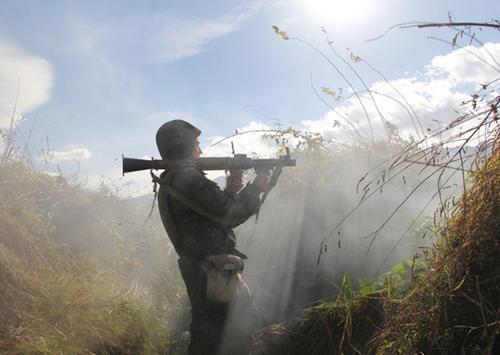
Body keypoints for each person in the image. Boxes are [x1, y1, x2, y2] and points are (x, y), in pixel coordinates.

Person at [155, 120, 270, 355]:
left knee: (212, 332)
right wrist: (255, 188)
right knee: (222, 334)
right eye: (197, 144)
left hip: (207, 270)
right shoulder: (187, 177)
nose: (201, 150)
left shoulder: (175, 177)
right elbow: (231, 215)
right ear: (186, 146)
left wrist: (229, 192)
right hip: (212, 272)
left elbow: (207, 216)